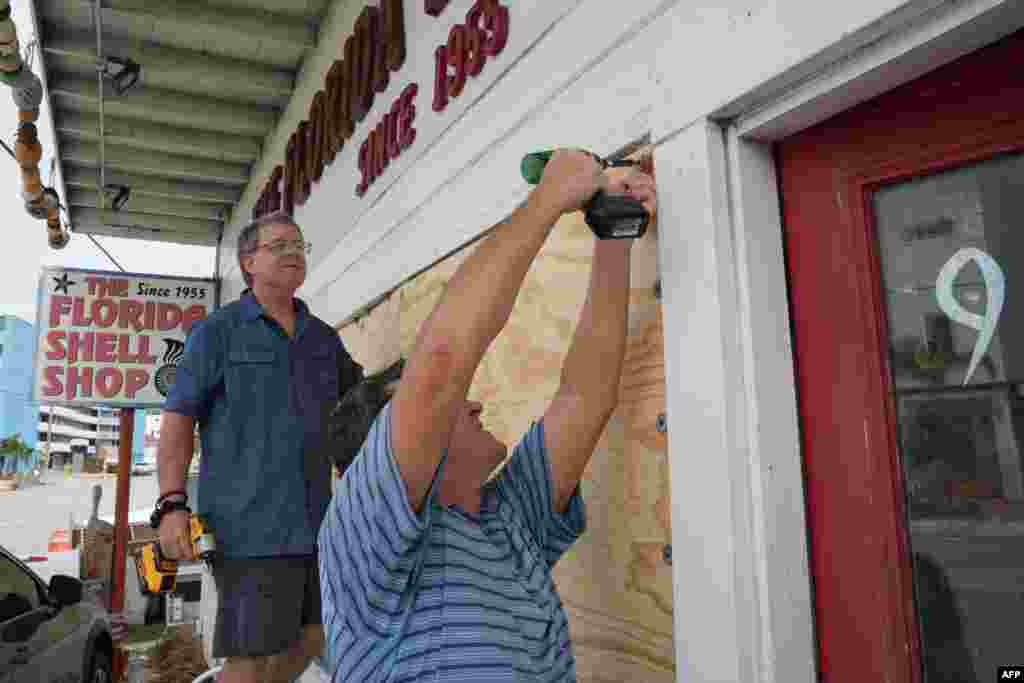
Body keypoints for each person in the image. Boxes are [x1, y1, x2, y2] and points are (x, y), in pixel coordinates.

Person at [319, 150, 657, 681]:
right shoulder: (365, 539)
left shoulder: (509, 515)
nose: (472, 401)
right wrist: (546, 199)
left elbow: (584, 398)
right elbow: (440, 364)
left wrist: (614, 228)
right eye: (449, 405)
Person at [155, 211, 364, 683]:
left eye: (299, 245)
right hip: (246, 524)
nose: (294, 252)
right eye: (279, 245)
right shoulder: (218, 332)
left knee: (314, 638)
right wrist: (171, 505)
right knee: (249, 656)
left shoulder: (323, 340)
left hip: (318, 523)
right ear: (249, 261)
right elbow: (179, 419)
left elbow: (359, 405)